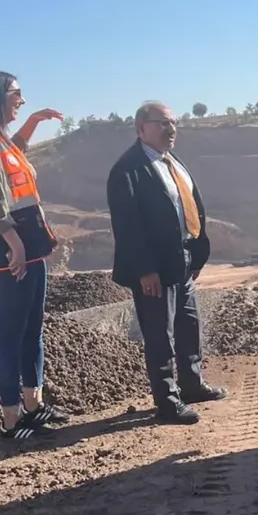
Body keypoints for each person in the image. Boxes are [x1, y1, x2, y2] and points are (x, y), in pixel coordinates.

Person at [0, 71, 67, 439]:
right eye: (16, 93)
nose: (22, 99)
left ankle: (33, 406)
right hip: (10, 254)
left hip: (30, 249)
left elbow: (12, 157)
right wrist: (14, 244)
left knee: (32, 330)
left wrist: (32, 123)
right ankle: (11, 419)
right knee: (11, 334)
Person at [107, 102, 228, 425]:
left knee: (189, 326)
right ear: (141, 128)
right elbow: (127, 226)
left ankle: (192, 385)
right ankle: (168, 402)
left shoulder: (171, 162)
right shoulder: (128, 170)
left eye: (173, 122)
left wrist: (197, 255)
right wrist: (145, 270)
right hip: (155, 269)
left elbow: (190, 209)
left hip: (182, 261)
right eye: (162, 123)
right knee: (160, 335)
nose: (171, 129)